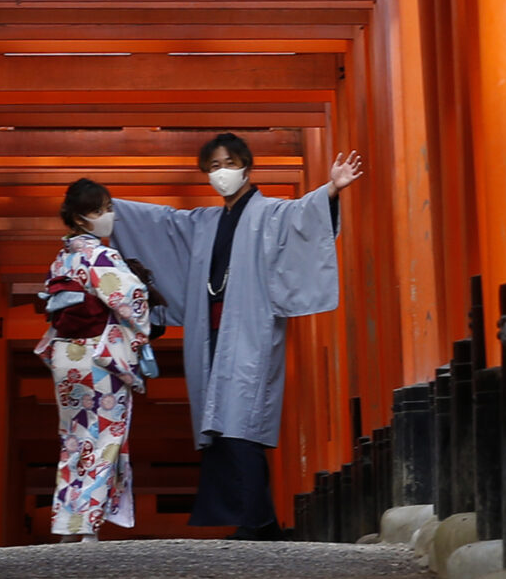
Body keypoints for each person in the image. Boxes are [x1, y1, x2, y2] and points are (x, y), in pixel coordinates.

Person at [108, 134, 364, 539]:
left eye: (227, 163)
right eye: (212, 168)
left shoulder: (270, 213)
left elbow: (302, 216)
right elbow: (163, 224)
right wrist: (111, 209)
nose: (220, 173)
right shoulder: (204, 222)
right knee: (220, 425)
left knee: (243, 420)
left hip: (250, 327)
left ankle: (258, 521)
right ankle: (258, 521)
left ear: (246, 164)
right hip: (210, 332)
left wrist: (330, 190)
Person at [35, 179, 157, 542]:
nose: (109, 216)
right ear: (81, 218)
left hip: (65, 360)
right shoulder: (100, 256)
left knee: (73, 439)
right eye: (101, 210)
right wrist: (140, 332)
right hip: (100, 358)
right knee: (105, 438)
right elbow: (132, 297)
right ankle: (88, 525)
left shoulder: (61, 260)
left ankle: (65, 524)